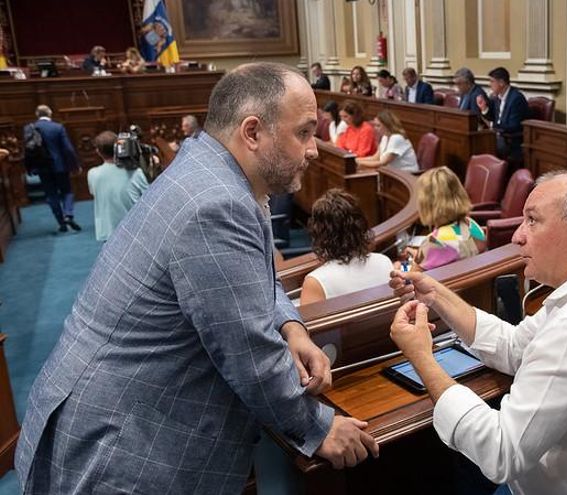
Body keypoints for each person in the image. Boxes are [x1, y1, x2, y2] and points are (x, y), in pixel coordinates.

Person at [15, 63, 379, 494]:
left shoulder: (215, 171)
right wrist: (319, 428)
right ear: (252, 132)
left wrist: (291, 325)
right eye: (303, 132)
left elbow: (252, 275)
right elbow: (250, 357)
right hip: (120, 453)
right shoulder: (215, 205)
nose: (315, 149)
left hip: (115, 420)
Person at [389, 169, 567, 493]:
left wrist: (421, 358)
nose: (517, 236)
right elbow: (514, 346)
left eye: (532, 220)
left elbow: (501, 453)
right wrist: (435, 294)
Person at [301, 189, 394, 305]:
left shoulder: (316, 282)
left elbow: (308, 323)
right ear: (361, 225)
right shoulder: (384, 262)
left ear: (318, 232)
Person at [408, 167, 485, 271]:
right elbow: (452, 252)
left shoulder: (435, 241)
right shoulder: (471, 225)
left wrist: (399, 266)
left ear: (427, 203)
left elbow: (412, 282)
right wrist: (420, 255)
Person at [24, 105, 81, 233]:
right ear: (50, 113)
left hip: (42, 167)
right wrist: (74, 165)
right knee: (67, 191)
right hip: (59, 166)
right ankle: (68, 215)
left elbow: (28, 150)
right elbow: (68, 149)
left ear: (37, 114)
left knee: (51, 195)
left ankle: (61, 222)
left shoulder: (29, 128)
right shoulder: (57, 127)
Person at [86, 131, 139, 241]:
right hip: (134, 228)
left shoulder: (93, 173)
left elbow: (93, 192)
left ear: (98, 152)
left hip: (108, 229)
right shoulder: (135, 171)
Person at [476, 67, 529, 162]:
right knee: (477, 142)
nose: (490, 85)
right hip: (499, 136)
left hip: (512, 141)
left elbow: (514, 126)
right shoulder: (496, 97)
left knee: (482, 145)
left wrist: (494, 126)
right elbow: (492, 116)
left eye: (492, 81)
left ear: (501, 83)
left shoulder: (516, 98)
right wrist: (484, 108)